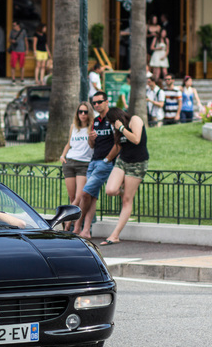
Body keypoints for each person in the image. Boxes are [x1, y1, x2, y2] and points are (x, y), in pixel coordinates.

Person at [100, 108, 149, 246]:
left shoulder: (135, 120)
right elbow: (118, 146)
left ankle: (115, 235)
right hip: (123, 161)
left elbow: (136, 139)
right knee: (110, 190)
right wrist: (106, 159)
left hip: (137, 164)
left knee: (127, 201)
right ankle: (126, 193)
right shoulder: (117, 130)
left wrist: (121, 128)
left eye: (111, 122)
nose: (110, 125)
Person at [76, 91, 120, 240]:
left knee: (85, 193)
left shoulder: (113, 119)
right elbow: (92, 145)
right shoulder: (95, 121)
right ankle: (86, 230)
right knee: (92, 196)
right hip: (94, 161)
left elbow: (118, 143)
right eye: (94, 103)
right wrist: (91, 139)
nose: (96, 105)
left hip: (104, 163)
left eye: (99, 102)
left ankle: (77, 226)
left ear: (107, 102)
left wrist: (107, 160)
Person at [59, 101, 94, 233]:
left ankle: (65, 221)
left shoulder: (92, 127)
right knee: (73, 197)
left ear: (89, 113)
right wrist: (62, 155)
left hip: (84, 163)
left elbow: (93, 146)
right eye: (80, 112)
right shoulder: (73, 126)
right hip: (69, 162)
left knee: (79, 197)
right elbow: (69, 143)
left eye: (85, 112)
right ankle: (71, 226)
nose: (83, 114)